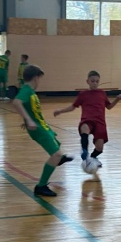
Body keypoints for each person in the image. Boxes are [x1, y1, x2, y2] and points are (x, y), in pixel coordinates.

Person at [12, 65, 73, 197]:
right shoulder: (26, 90)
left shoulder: (29, 91)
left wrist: (27, 119)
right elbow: (16, 102)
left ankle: (59, 159)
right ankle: (41, 186)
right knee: (56, 154)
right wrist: (28, 120)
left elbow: (27, 107)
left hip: (42, 126)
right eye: (40, 78)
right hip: (37, 129)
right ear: (35, 78)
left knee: (56, 147)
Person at [54, 70, 121, 166]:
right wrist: (60, 111)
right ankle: (84, 150)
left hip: (100, 122)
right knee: (84, 127)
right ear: (88, 81)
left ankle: (92, 157)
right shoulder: (83, 94)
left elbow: (109, 107)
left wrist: (117, 99)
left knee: (100, 148)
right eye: (92, 81)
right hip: (88, 120)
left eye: (97, 81)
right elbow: (73, 106)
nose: (95, 83)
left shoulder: (102, 93)